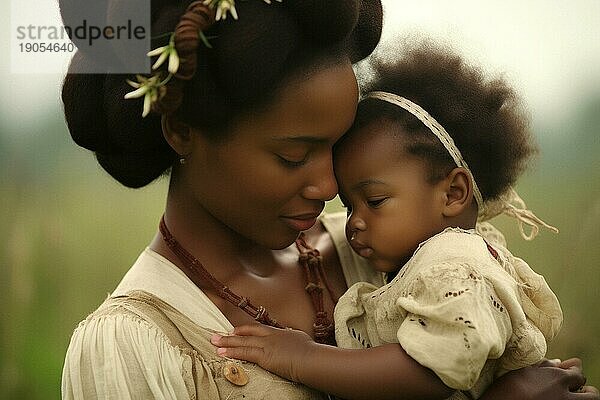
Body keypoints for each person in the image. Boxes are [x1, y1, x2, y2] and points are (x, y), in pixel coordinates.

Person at [58, 0, 597, 397]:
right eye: (295, 157)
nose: (328, 186)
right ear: (180, 132)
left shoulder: (398, 251)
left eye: (338, 149)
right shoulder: (132, 347)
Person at [210, 42, 600, 399]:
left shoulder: (456, 269)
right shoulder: (425, 262)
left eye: (375, 201)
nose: (354, 223)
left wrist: (302, 358)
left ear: (453, 194)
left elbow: (426, 371)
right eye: (349, 206)